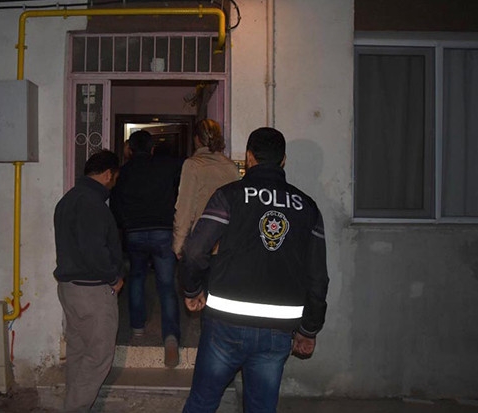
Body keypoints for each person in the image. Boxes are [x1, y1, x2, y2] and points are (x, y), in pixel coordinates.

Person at [180, 127, 329, 413]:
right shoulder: (307, 207)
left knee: (202, 402)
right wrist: (309, 328)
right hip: (278, 329)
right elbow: (318, 277)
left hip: (226, 324)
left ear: (249, 157)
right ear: (283, 160)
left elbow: (195, 251)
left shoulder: (230, 196)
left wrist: (192, 289)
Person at [53, 150, 124, 412]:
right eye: (115, 177)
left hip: (70, 289)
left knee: (79, 351)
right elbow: (94, 249)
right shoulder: (91, 204)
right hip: (91, 290)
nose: (114, 183)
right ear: (107, 174)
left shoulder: (69, 199)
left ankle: (74, 404)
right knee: (99, 355)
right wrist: (113, 277)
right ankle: (75, 408)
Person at [110, 130, 183, 367]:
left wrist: (126, 225)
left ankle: (137, 329)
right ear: (152, 148)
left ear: (130, 149)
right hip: (163, 231)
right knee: (167, 284)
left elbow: (116, 205)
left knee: (137, 278)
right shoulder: (167, 167)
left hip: (134, 232)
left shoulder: (124, 172)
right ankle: (170, 337)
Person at [173, 118, 240, 258]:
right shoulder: (231, 166)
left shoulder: (192, 165)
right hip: (227, 243)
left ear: (197, 139)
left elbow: (185, 209)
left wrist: (178, 245)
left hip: (202, 243)